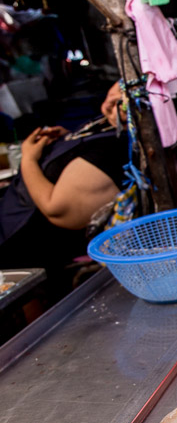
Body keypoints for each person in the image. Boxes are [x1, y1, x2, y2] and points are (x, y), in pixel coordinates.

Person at [0, 83, 130, 286]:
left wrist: (28, 159)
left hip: (26, 246)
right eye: (113, 93)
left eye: (121, 102)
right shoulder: (104, 125)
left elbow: (57, 211)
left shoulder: (112, 150)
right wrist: (67, 142)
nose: (113, 103)